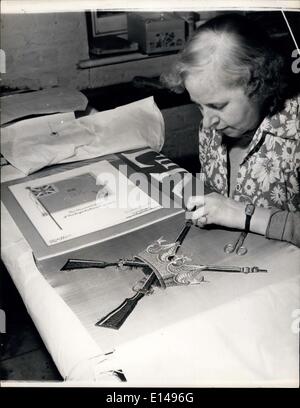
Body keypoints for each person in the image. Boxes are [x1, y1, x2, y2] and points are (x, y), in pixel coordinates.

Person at [162, 13, 300, 247]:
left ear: (260, 84)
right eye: (199, 106)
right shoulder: (213, 127)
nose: (206, 123)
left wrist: (245, 214)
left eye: (218, 106)